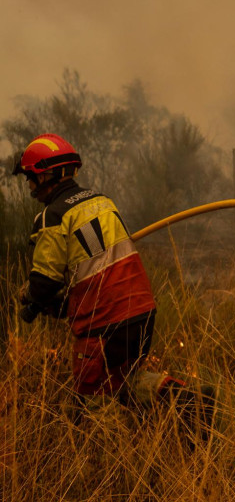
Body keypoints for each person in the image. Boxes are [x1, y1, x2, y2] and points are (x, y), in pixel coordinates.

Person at [12, 133, 211, 420]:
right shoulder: (102, 201)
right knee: (123, 382)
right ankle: (190, 402)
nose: (30, 186)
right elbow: (92, 271)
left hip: (104, 323)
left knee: (89, 407)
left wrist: (28, 295)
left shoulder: (52, 217)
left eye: (30, 177)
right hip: (141, 313)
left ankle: (103, 459)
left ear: (46, 176)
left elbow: (44, 283)